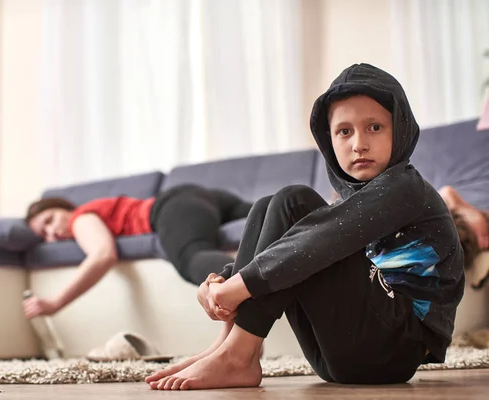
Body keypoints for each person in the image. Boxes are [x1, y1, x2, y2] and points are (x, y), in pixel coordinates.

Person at [146, 63, 465, 390]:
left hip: (396, 347)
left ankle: (237, 356)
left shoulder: (406, 188)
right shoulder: (351, 202)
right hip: (339, 354)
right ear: (329, 140)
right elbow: (297, 244)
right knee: (267, 206)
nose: (358, 144)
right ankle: (228, 345)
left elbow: (319, 239)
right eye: (344, 131)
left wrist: (236, 288)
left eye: (374, 127)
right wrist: (221, 282)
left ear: (400, 130)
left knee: (294, 202)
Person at [22, 184, 252, 319]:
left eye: (49, 221)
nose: (52, 233)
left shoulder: (80, 218)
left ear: (63, 208)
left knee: (190, 257)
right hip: (208, 197)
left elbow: (103, 255)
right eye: (45, 236)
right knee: (276, 219)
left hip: (174, 207)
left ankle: (246, 290)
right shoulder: (90, 214)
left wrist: (55, 303)